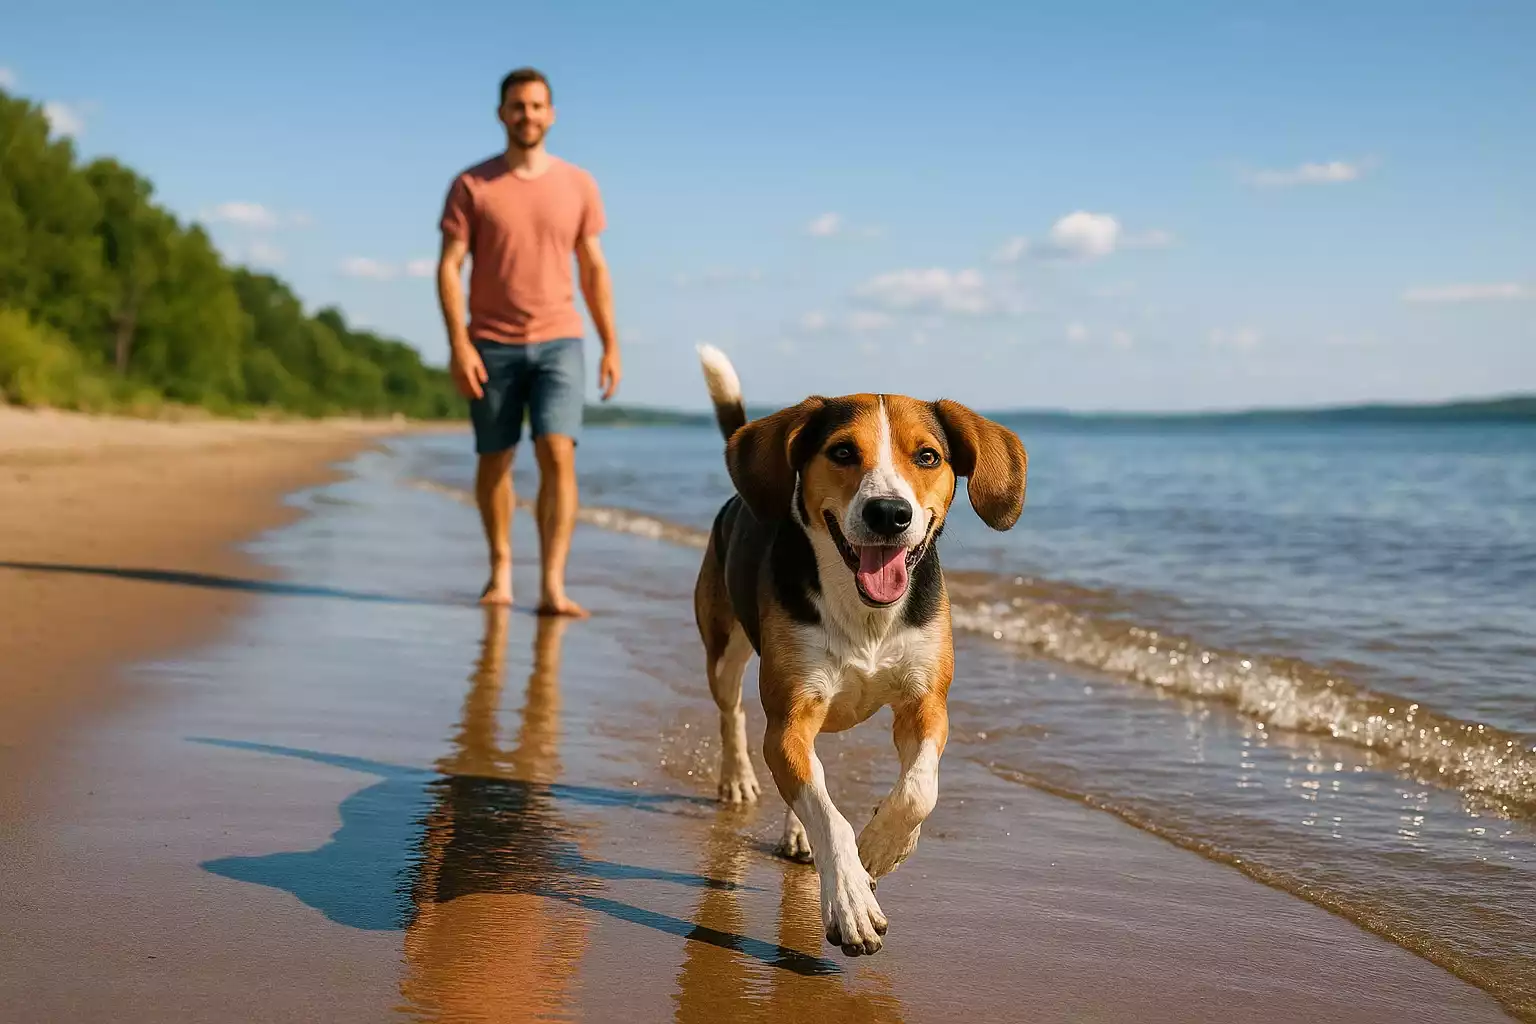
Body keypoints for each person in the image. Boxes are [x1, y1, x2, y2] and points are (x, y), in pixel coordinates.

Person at [436, 67, 621, 616]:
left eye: (537, 106)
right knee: (495, 458)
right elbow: (449, 267)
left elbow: (593, 267)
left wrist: (610, 343)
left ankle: (553, 585)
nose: (527, 115)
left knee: (557, 451)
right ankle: (500, 570)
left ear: (551, 114)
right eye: (518, 106)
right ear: (502, 113)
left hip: (560, 339)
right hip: (490, 342)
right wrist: (459, 345)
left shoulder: (578, 184)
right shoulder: (472, 185)